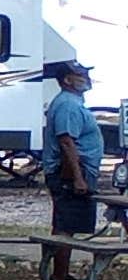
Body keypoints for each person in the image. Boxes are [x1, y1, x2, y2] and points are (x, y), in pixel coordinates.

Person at [45, 59, 107, 253]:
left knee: (68, 225)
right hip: (69, 174)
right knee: (66, 227)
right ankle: (58, 278)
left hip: (76, 172)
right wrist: (78, 178)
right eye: (80, 75)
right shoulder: (68, 105)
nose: (86, 78)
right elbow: (66, 141)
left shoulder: (73, 102)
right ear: (67, 80)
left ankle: (59, 275)